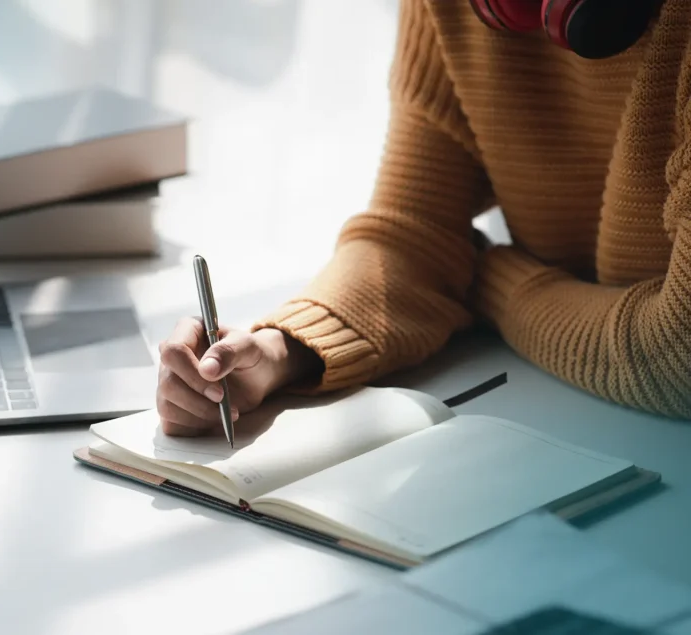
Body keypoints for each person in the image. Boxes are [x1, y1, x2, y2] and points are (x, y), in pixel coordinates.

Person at [157, 0, 691, 436]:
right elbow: (415, 234)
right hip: (586, 420)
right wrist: (279, 350)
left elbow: (680, 351)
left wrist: (497, 283)